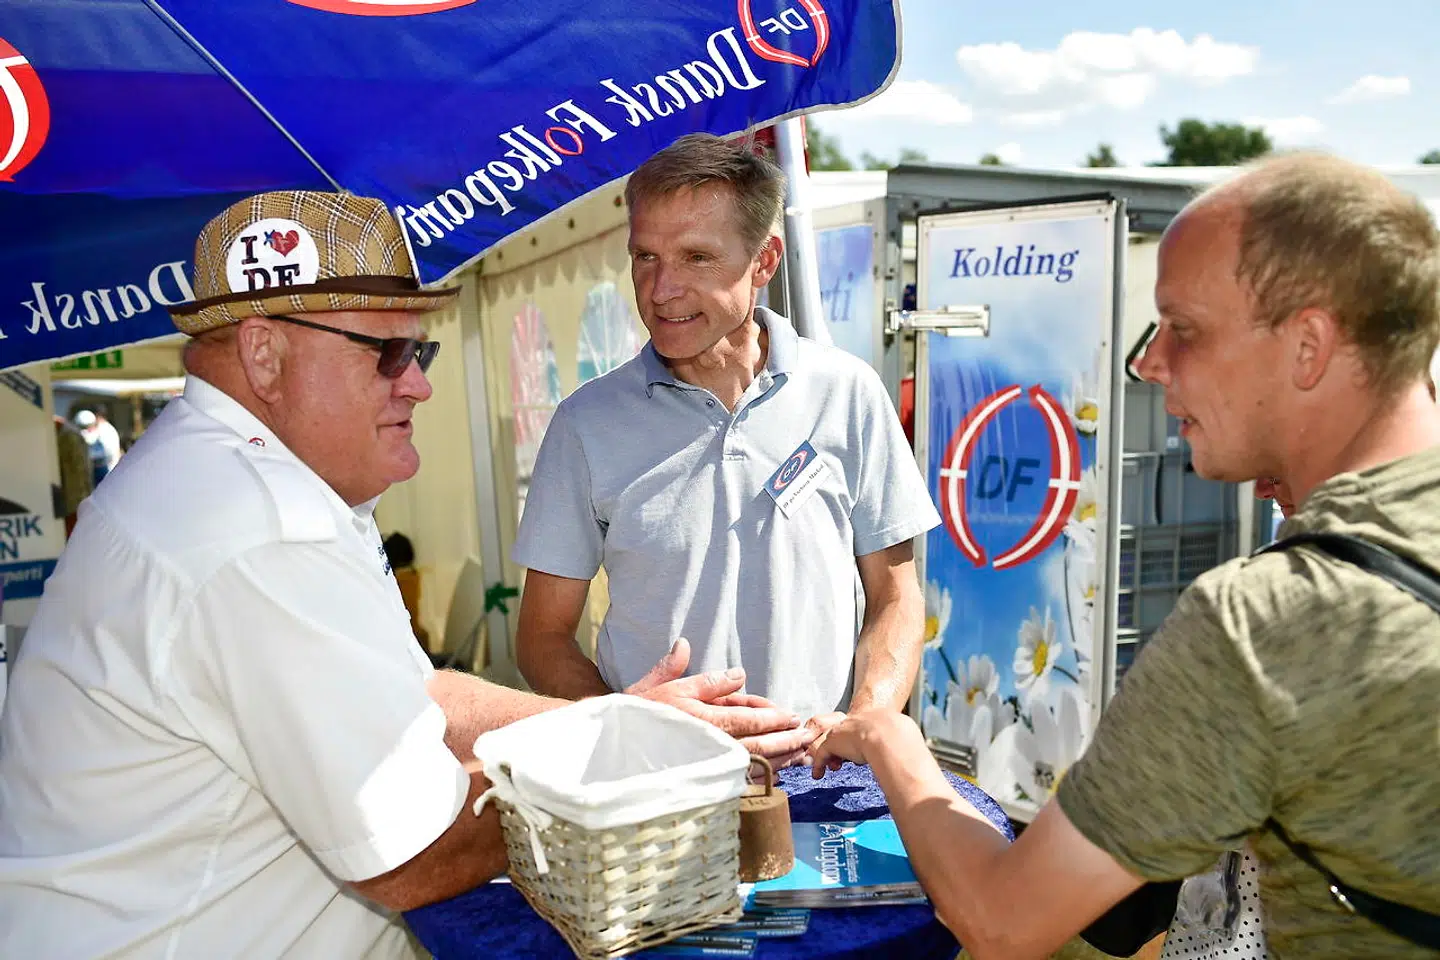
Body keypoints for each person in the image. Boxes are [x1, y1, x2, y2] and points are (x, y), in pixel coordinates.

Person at [0, 190, 807, 958]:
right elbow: (409, 853)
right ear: (263, 352)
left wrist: (611, 725)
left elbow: (416, 694)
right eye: (389, 353)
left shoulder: (232, 479)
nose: (418, 381)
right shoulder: (259, 529)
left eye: (416, 350)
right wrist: (632, 768)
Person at [810, 152, 1440, 959]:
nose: (1149, 364)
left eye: (1184, 330)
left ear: (1309, 346)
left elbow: (1001, 921)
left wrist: (886, 737)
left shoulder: (1266, 620)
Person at [511, 134, 940, 755]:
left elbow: (896, 597)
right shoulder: (585, 424)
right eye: (645, 257)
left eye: (696, 258)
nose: (661, 290)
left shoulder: (847, 393)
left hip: (819, 780)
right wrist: (627, 728)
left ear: (764, 262)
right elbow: (542, 637)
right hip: (659, 788)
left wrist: (860, 729)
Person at [53, 413, 93, 537]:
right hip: (74, 498)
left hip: (73, 499)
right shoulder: (69, 434)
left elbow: (79, 470)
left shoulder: (68, 437)